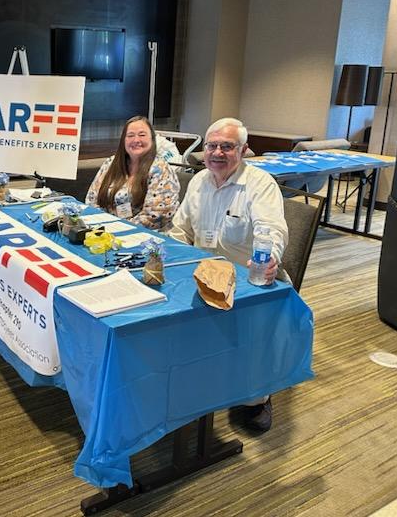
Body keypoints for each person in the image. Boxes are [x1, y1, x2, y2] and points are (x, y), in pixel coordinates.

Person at [170, 117, 288, 432]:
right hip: (201, 271)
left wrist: (270, 258)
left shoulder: (260, 184)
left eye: (227, 146)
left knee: (254, 321)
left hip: (246, 276)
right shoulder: (198, 181)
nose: (217, 153)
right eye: (212, 146)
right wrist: (169, 255)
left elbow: (271, 230)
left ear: (244, 150)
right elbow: (181, 229)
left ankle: (258, 397)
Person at [85, 116, 180, 231]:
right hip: (104, 231)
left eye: (142, 135)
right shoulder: (110, 163)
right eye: (130, 135)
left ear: (152, 139)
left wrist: (117, 229)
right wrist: (101, 226)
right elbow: (92, 200)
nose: (136, 140)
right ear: (123, 140)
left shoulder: (161, 169)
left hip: (146, 238)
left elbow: (156, 215)